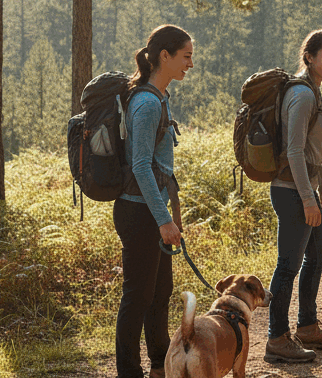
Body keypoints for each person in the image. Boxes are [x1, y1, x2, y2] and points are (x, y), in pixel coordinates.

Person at [115, 24, 193, 378]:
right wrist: (164, 220)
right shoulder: (147, 103)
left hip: (151, 209)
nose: (190, 64)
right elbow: (141, 167)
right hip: (139, 211)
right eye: (186, 56)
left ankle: (160, 366)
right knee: (138, 297)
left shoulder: (159, 97)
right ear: (165, 56)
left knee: (160, 292)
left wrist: (164, 217)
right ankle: (129, 372)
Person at [263, 30, 322, 363]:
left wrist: (320, 189)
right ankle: (277, 338)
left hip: (305, 189)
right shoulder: (303, 95)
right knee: (288, 266)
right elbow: (294, 151)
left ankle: (307, 325)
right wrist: (308, 199)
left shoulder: (311, 90)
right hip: (291, 191)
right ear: (308, 57)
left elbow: (309, 152)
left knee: (318, 254)